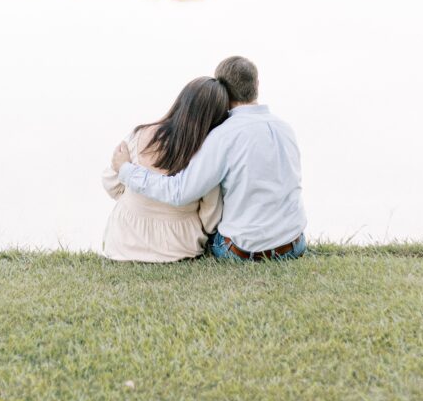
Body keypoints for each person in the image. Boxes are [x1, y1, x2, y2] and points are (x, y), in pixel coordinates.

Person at [111, 56, 307, 262]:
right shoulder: (286, 129)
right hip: (294, 244)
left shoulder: (222, 136)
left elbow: (180, 192)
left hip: (244, 252)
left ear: (222, 91)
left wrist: (126, 170)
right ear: (257, 84)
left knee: (210, 223)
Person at [102, 77, 230, 262]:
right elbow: (211, 219)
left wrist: (141, 203)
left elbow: (110, 183)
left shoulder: (140, 134)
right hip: (179, 246)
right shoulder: (205, 156)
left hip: (124, 241)